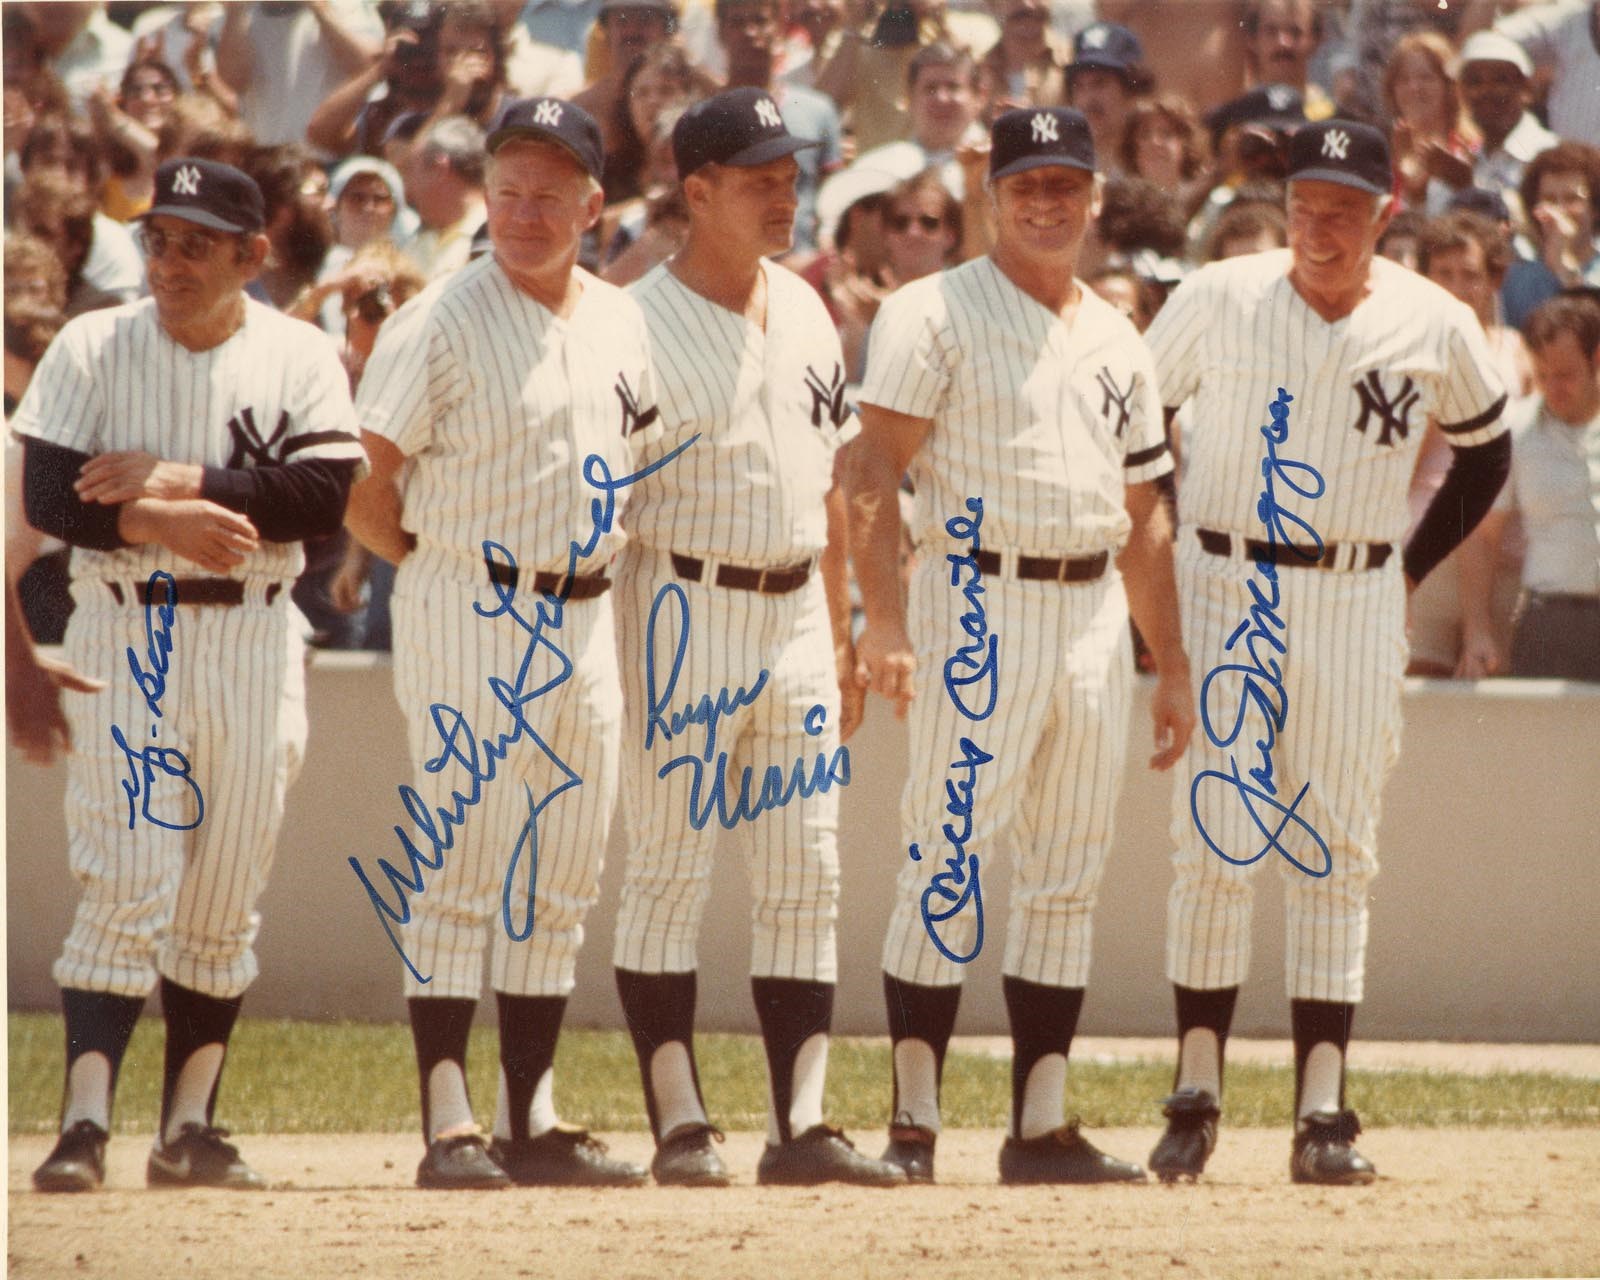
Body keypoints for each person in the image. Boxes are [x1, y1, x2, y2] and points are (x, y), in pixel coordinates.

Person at [1141, 120, 1510, 1186]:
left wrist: (1408, 563)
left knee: (1336, 842)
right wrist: (1167, 556)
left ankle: (1321, 1112)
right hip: (1225, 577)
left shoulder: (1431, 319)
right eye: (1305, 204)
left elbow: (1484, 453)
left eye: (1343, 207)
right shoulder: (1219, 294)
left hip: (1352, 584)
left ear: (1385, 213)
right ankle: (1194, 1096)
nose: (1319, 225)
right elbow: (1140, 419)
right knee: (1212, 838)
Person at [847, 106, 1195, 1186]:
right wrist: (886, 621)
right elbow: (868, 475)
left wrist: (1170, 660)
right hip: (976, 595)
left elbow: (1144, 513)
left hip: (1090, 608)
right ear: (987, 195)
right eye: (1024, 184)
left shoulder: (1118, 334)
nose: (1045, 202)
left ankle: (1038, 1124)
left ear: (1095, 196)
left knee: (1066, 869)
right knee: (946, 853)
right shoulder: (931, 310)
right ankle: (912, 1124)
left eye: (1064, 183)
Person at [14, 156, 366, 1192]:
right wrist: (154, 521)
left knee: (223, 892)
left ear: (253, 255)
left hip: (255, 635)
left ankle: (190, 1126)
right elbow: (48, 491)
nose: (169, 259)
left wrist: (178, 477)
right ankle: (82, 1124)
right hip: (128, 627)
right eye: (160, 237)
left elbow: (318, 494)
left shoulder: (298, 351)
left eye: (197, 242)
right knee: (126, 875)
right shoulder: (92, 341)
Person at [345, 96, 659, 1190]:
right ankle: (449, 1121)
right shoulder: (436, 316)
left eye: (549, 192)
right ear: (486, 196)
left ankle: (534, 1117)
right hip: (472, 599)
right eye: (508, 190)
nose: (526, 212)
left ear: (592, 202)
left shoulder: (620, 318)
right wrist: (439, 564)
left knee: (564, 870)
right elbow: (364, 488)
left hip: (584, 613)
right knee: (461, 864)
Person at [610, 87, 904, 1189]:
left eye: (791, 172)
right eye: (760, 177)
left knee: (805, 870)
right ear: (696, 190)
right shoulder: (629, 322)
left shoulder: (809, 306)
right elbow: (604, 510)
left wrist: (840, 631)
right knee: (670, 870)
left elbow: (833, 486)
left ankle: (803, 1124)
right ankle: (680, 1119)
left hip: (790, 612)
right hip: (677, 606)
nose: (787, 191)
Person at [1406, 210, 1533, 677]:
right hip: (1430, 552)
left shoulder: (1518, 349)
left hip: (1502, 556)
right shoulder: (1409, 357)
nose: (1458, 287)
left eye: (1471, 275)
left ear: (1494, 280)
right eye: (1444, 274)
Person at [1460, 295, 1600, 681]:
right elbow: (1482, 537)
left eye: (1566, 375)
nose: (1554, 388)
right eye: (1543, 375)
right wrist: (1478, 630)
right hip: (1552, 623)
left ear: (1597, 360)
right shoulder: (1514, 432)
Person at [1430, 31, 1557, 217]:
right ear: (1462, 92)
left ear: (1526, 88)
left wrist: (1468, 188)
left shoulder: (1549, 154)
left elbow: (1541, 231)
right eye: (1474, 82)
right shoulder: (1461, 162)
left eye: (1500, 80)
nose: (1486, 91)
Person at [1503, 142, 1600, 328]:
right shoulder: (1516, 280)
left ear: (1594, 207)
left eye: (1572, 199)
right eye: (1549, 199)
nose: (1560, 210)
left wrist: (1564, 267)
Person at [1381, 32, 1476, 214]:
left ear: (1449, 87)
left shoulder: (1471, 148)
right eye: (1403, 80)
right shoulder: (1383, 157)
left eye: (1426, 78)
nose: (1414, 88)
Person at [1065, 20, 1150, 176]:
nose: (1088, 99)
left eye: (1100, 84)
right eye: (1080, 86)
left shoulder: (1154, 161)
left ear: (1130, 91)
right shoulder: (1065, 164)